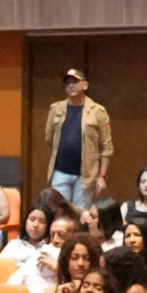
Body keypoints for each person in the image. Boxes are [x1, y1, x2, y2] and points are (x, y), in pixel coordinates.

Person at [41, 68, 115, 208]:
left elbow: (106, 147)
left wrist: (102, 176)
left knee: (81, 215)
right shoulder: (56, 109)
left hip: (85, 176)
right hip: (60, 171)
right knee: (59, 212)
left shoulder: (98, 111)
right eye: (68, 83)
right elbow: (49, 138)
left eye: (75, 82)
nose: (71, 85)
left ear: (85, 85)